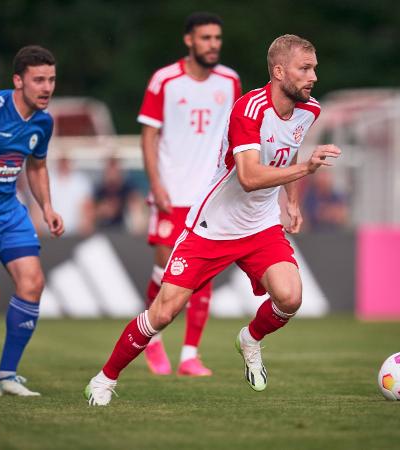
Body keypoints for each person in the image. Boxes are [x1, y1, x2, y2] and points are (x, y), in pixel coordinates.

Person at [84, 34, 341, 406]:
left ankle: (250, 339)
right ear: (279, 71)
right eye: (305, 68)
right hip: (213, 226)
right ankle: (104, 379)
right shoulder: (247, 110)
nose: (313, 76)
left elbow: (290, 148)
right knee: (164, 311)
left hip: (261, 226)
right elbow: (250, 178)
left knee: (290, 297)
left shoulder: (309, 109)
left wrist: (292, 201)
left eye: (314, 67)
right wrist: (305, 169)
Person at [137, 12, 242, 376]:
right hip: (172, 193)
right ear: (189, 41)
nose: (213, 44)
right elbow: (148, 136)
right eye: (206, 38)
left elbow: (238, 131)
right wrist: (156, 184)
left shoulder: (230, 81)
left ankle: (189, 356)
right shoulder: (165, 80)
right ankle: (152, 340)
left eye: (217, 38)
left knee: (203, 275)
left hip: (209, 196)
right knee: (165, 272)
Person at [0, 46, 64, 396]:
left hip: (9, 210)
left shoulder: (44, 122)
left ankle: (5, 376)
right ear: (18, 81)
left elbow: (36, 165)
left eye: (51, 80)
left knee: (32, 283)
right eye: (38, 80)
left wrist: (47, 207)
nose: (46, 88)